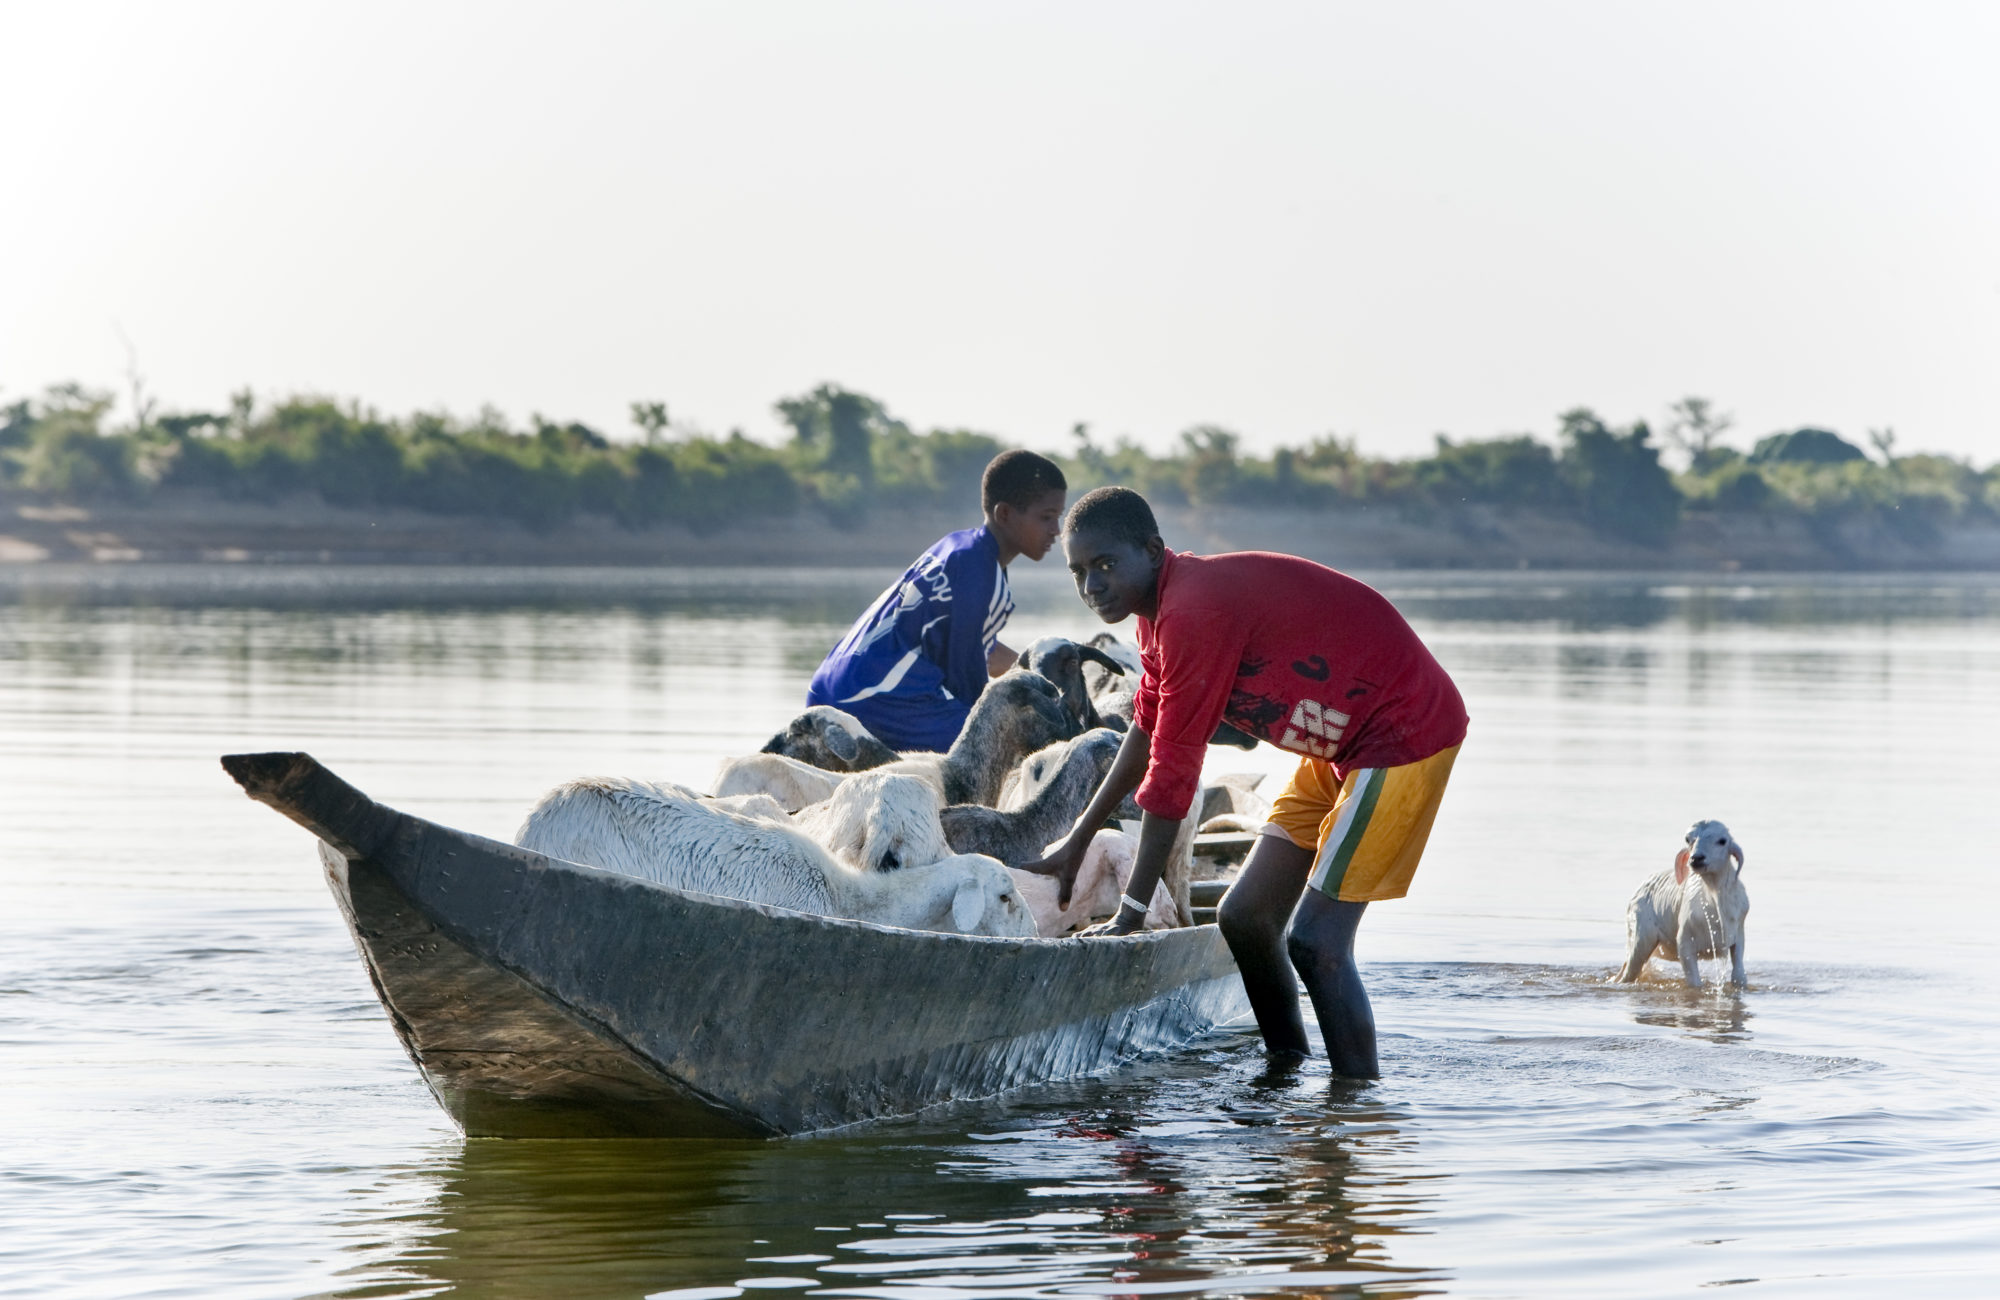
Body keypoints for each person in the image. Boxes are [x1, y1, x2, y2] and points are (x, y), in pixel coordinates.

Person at [1020, 486, 1467, 1078]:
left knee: (1317, 942)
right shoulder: (1157, 622)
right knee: (1246, 917)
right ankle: (1285, 1071)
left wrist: (1130, 912)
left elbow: (1173, 777)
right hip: (1337, 748)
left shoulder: (1192, 611)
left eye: (1106, 565)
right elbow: (1146, 728)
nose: (1092, 586)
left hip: (1401, 735)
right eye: (1079, 572)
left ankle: (1353, 1110)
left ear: (1153, 551)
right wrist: (1077, 842)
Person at [806, 451, 1067, 752]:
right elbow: (969, 687)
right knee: (1002, 744)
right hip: (873, 699)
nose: (1056, 530)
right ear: (1005, 514)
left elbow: (982, 649)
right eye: (1046, 517)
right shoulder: (979, 572)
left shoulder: (958, 547)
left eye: (1058, 518)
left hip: (826, 687)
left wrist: (1042, 682)